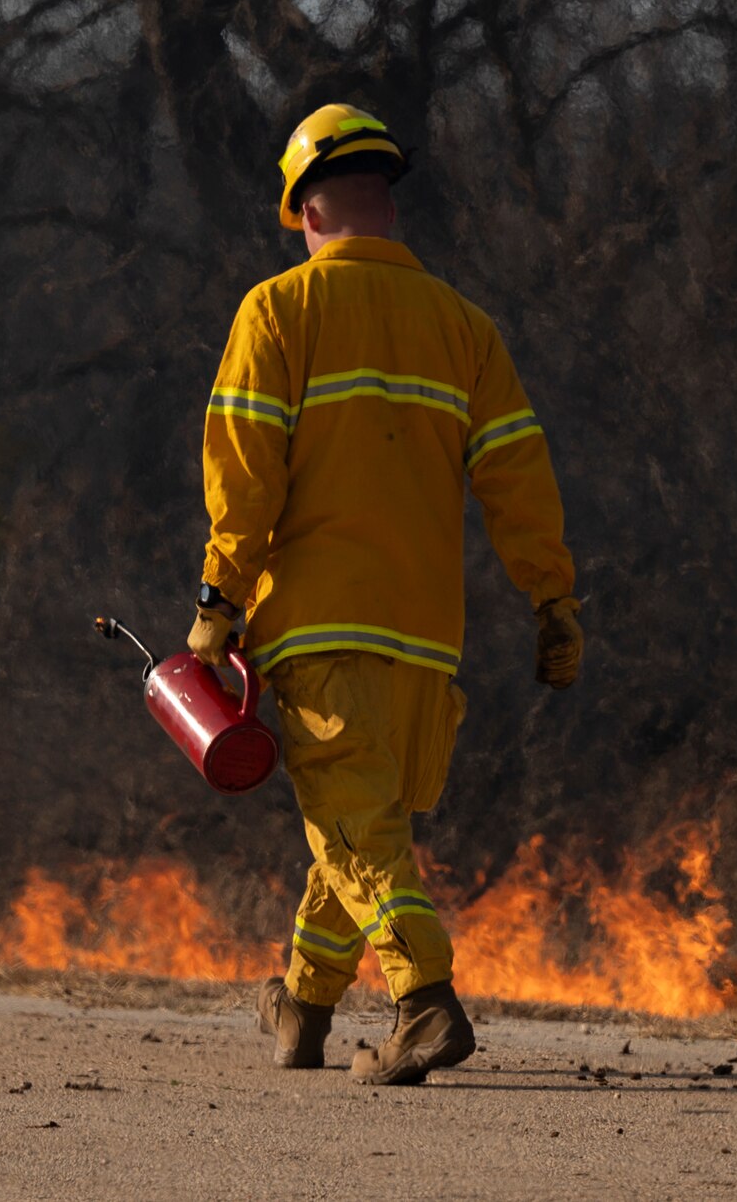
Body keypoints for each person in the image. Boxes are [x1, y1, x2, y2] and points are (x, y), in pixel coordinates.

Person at [187, 103, 583, 1085]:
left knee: (354, 824)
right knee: (364, 822)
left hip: (319, 624)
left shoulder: (277, 311)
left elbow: (244, 477)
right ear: (386, 207)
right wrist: (550, 598)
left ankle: (423, 998)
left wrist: (218, 597)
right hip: (425, 636)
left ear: (304, 210)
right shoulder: (463, 327)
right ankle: (303, 1005)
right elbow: (518, 475)